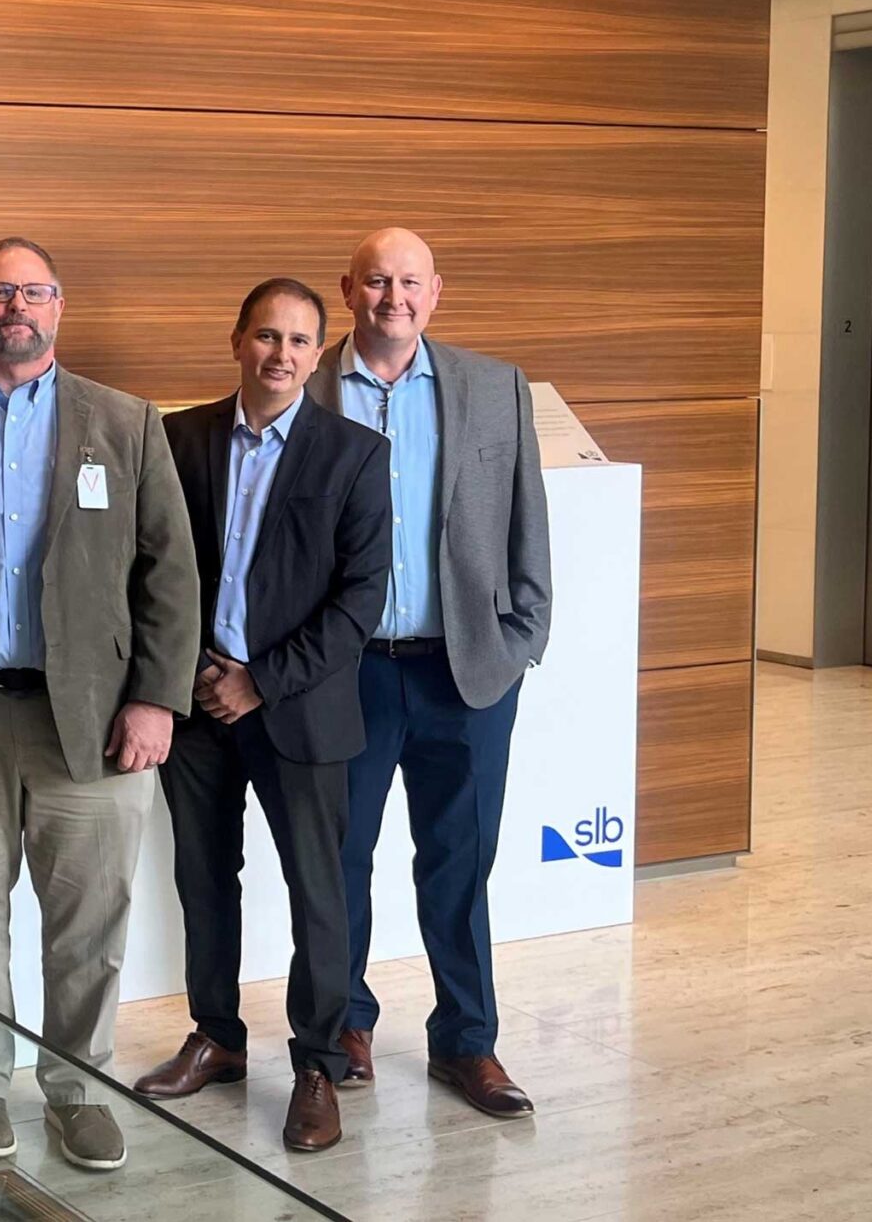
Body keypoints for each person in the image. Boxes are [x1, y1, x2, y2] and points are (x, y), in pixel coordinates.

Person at [0, 237, 197, 1172]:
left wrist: (156, 699)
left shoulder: (126, 422)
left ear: (59, 307)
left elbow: (171, 577)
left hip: (97, 718)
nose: (16, 308)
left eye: (33, 292)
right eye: (0, 292)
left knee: (89, 922)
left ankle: (80, 1090)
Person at [134, 278, 390, 1155]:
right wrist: (197, 676)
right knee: (204, 879)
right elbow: (156, 572)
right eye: (266, 336)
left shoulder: (355, 453)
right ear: (236, 339)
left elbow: (361, 600)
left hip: (300, 711)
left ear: (318, 352)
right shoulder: (180, 437)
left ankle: (318, 1063)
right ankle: (218, 1036)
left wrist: (262, 680)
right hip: (198, 707)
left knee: (319, 892)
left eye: (298, 340)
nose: (280, 354)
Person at [313, 227, 552, 1119]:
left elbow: (528, 517)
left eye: (409, 282)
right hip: (347, 673)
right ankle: (344, 1023)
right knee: (339, 858)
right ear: (348, 289)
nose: (393, 298)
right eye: (376, 281)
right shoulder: (307, 386)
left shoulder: (495, 388)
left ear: (436, 291)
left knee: (460, 857)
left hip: (468, 671)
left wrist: (522, 634)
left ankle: (468, 1041)